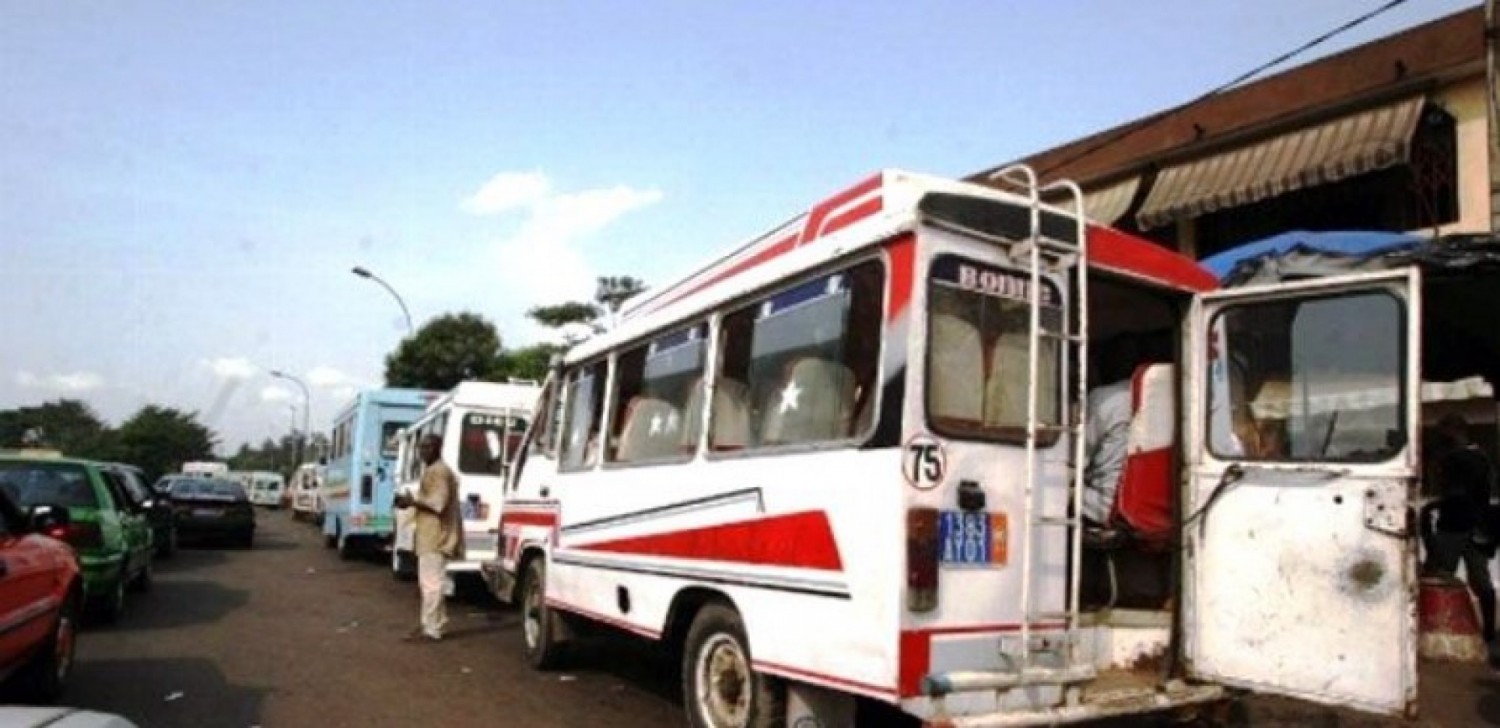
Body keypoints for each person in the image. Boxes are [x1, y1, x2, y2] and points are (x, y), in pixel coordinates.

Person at [1422, 414, 1498, 648]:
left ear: (1455, 431)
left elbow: (1456, 492)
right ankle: (1488, 633)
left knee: (1438, 575)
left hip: (1456, 526)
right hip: (1472, 527)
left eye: (1444, 432)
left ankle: (1437, 630)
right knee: (1479, 581)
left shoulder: (1460, 458)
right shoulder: (1479, 457)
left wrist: (1438, 504)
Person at [394, 434, 464, 642]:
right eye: (421, 447)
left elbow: (438, 503)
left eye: (428, 447)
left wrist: (411, 501)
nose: (423, 451)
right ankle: (434, 623)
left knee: (431, 583)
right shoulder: (434, 471)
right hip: (431, 534)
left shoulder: (439, 472)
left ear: (438, 448)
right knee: (432, 582)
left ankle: (431, 629)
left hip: (436, 535)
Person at [1082, 337, 1137, 526]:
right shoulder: (1159, 397)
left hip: (1105, 505)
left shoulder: (1104, 398)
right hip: (1144, 507)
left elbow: (1078, 459)